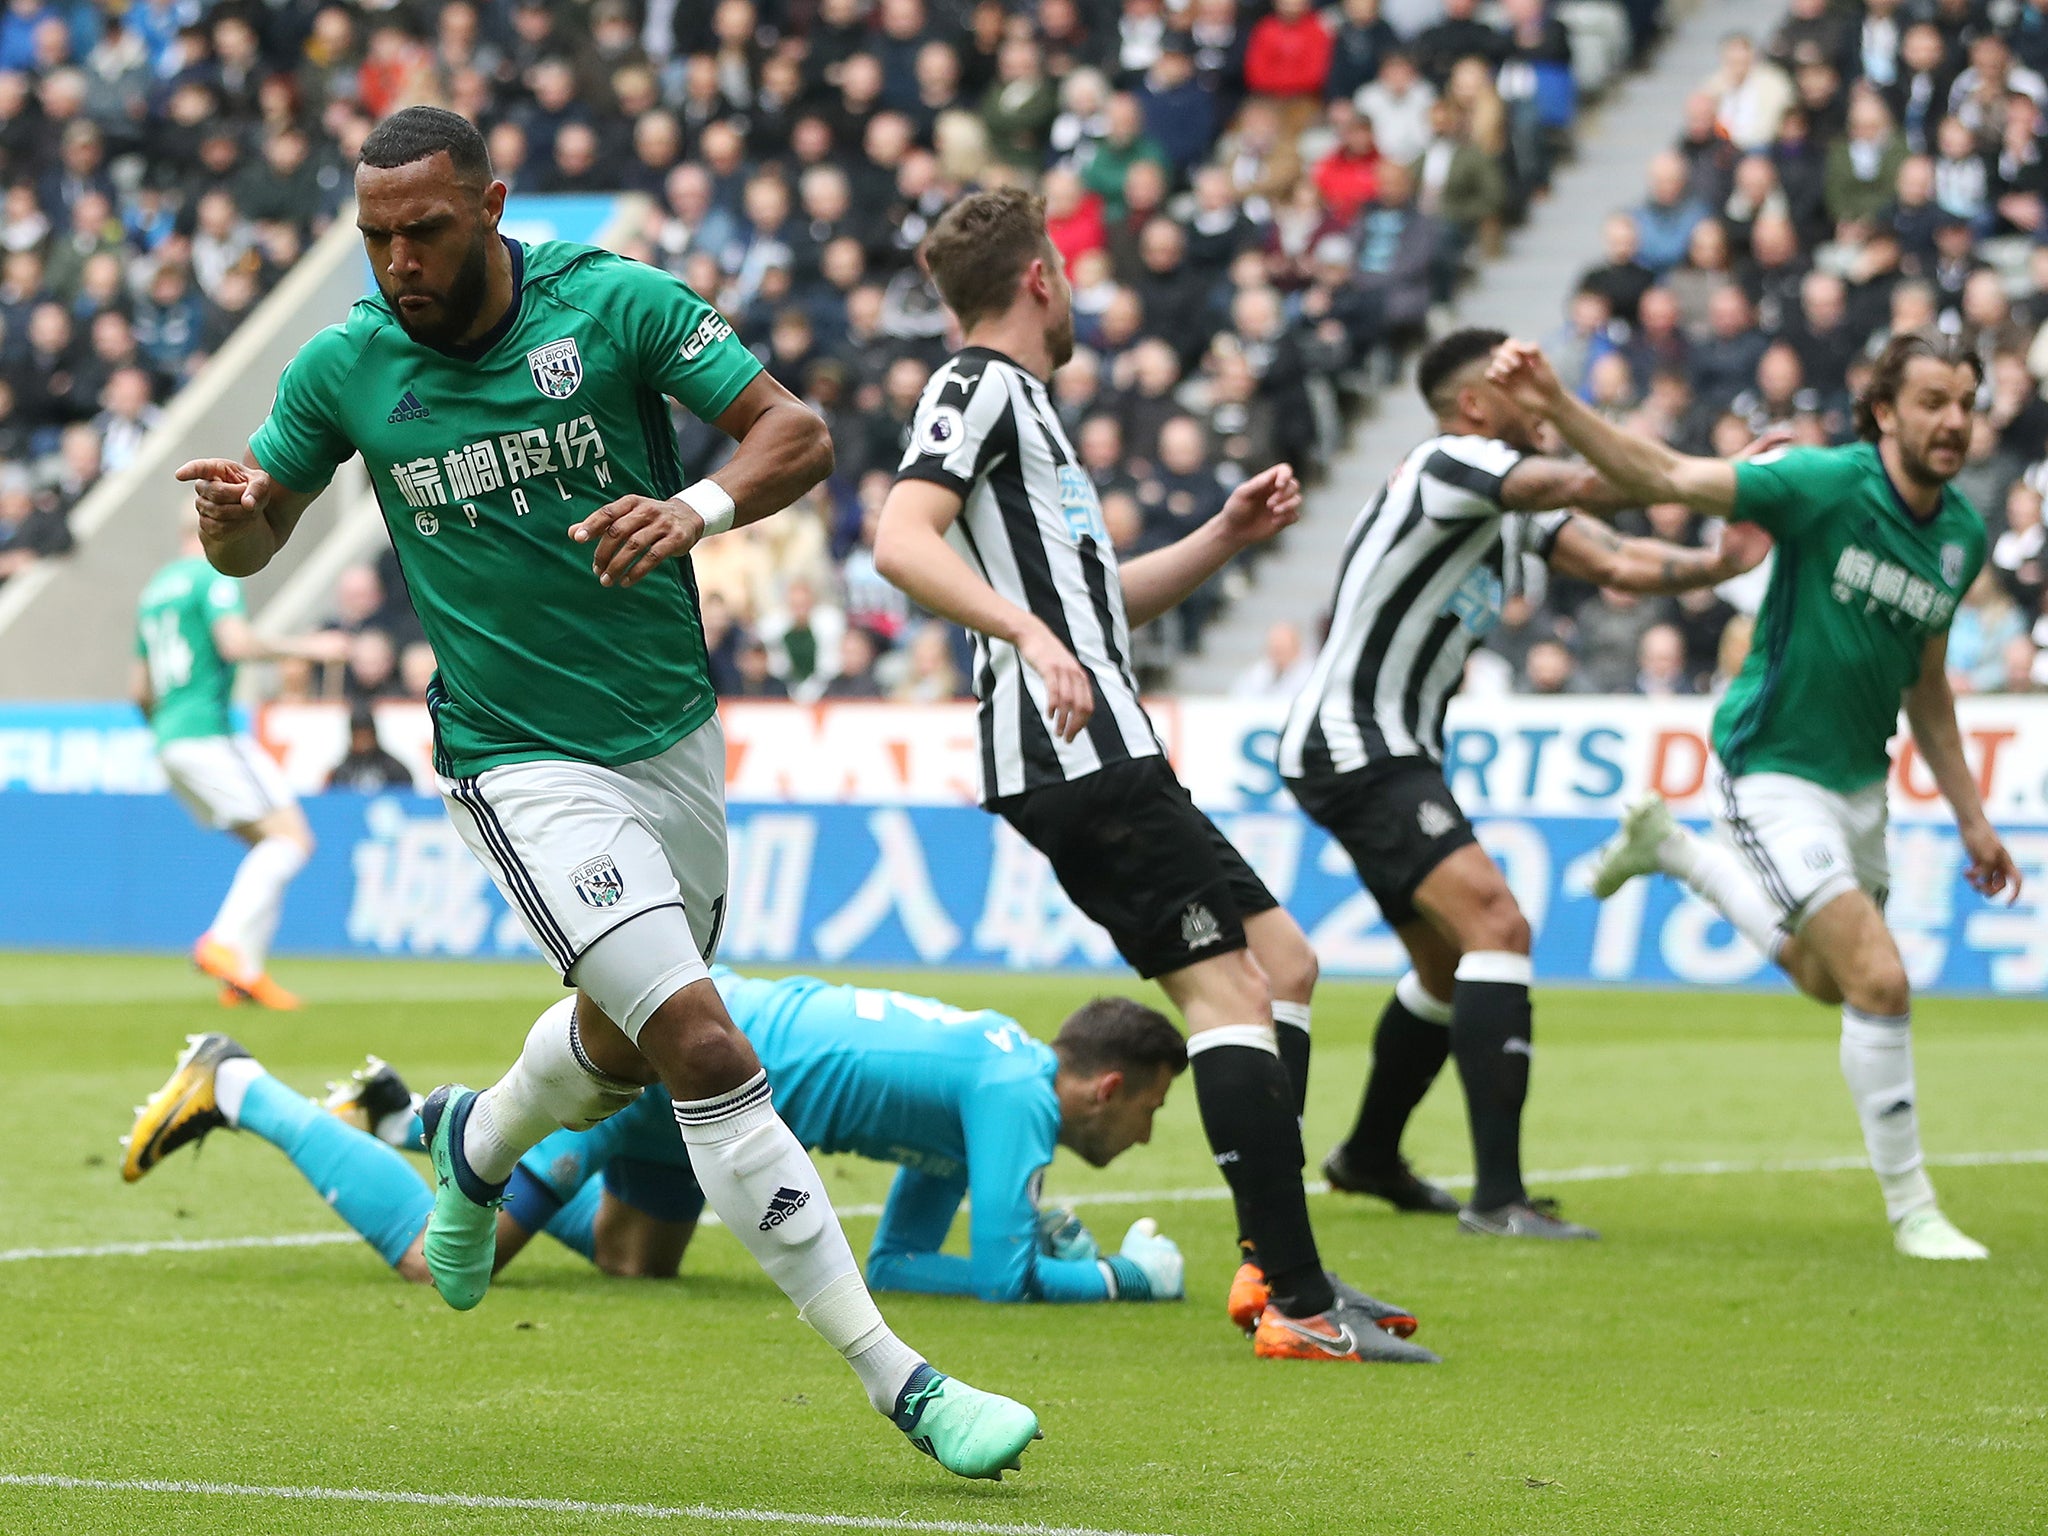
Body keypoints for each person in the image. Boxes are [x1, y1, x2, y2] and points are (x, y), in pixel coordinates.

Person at [171, 106, 1038, 1479]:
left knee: (621, 1047)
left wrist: (692, 509)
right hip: (516, 759)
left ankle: (471, 1150)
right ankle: (907, 1384)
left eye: (428, 230)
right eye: (376, 237)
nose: (399, 260)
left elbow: (794, 434)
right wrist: (235, 526)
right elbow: (255, 535)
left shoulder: (615, 305)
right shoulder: (346, 365)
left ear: (493, 203)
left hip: (671, 735)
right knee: (703, 1045)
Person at [875, 186, 1434, 1366]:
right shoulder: (975, 387)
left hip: (1108, 740)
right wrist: (1028, 641)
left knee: (1284, 964)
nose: (1072, 292)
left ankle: (1272, 1267)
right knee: (1228, 998)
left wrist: (1223, 538)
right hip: (1071, 753)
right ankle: (1289, 1295)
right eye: (1065, 274)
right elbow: (899, 539)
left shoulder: (1030, 416)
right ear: (1038, 278)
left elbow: (1094, 608)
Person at [1495, 329, 2021, 1262]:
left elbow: (1928, 681)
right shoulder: (1822, 484)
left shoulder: (1961, 537)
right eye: (1934, 401)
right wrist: (1559, 406)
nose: (1954, 421)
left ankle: (1676, 854)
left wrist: (1973, 817)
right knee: (1882, 980)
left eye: (1967, 404)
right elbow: (1666, 475)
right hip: (1770, 767)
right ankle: (1914, 1211)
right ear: (1886, 410)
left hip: (1863, 781)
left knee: (1832, 984)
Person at [1278, 328, 1772, 1238]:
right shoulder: (1448, 461)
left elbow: (1620, 562)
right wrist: (1720, 476)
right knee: (1497, 925)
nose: (1543, 410)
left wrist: (1720, 565)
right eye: (1526, 399)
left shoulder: (1504, 506)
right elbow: (1587, 482)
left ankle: (1369, 1154)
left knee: (1444, 960)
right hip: (1357, 741)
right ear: (1477, 407)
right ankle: (1498, 1198)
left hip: (1389, 747)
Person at [120, 973, 1291, 1320]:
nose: (1142, 1137)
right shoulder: (1012, 1105)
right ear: (1105, 1085)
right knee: (442, 1260)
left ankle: (414, 1119)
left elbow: (897, 1264)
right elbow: (996, 1281)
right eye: (1145, 1113)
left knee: (637, 1262)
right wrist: (1119, 1278)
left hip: (711, 1087)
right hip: (679, 1075)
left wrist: (1035, 1234)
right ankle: (242, 1083)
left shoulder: (997, 1088)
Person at [134, 528, 348, 1009]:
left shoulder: (154, 591)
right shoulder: (212, 575)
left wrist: (169, 732)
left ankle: (244, 975)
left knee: (269, 845)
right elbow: (235, 644)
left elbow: (140, 690)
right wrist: (311, 648)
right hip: (210, 732)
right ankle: (227, 944)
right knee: (290, 841)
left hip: (170, 738)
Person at [325, 703, 415, 792]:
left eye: (366, 735)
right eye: (359, 736)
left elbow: (408, 797)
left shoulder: (395, 770)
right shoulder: (341, 773)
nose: (363, 741)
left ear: (374, 734)